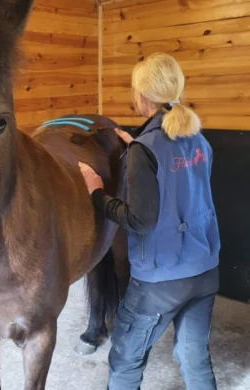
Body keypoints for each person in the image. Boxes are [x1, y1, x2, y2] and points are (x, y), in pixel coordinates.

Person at [78, 53, 220, 390]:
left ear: (143, 95)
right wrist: (136, 149)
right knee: (194, 357)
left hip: (160, 281)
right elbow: (181, 185)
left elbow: (140, 221)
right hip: (205, 270)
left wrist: (97, 193)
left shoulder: (147, 149)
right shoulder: (199, 140)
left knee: (125, 359)